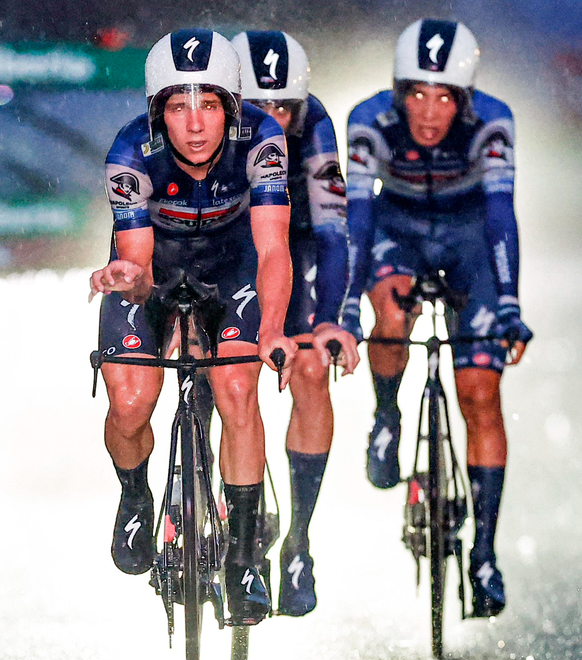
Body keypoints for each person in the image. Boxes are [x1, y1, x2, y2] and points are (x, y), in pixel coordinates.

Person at [89, 28, 298, 626]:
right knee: (130, 404)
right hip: (153, 268)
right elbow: (138, 262)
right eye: (178, 106)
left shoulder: (263, 139)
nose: (196, 123)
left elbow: (274, 249)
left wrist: (275, 330)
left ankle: (242, 558)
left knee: (236, 389)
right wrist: (123, 279)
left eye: (209, 104)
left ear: (232, 106)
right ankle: (135, 496)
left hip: (233, 265)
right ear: (158, 113)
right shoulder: (130, 150)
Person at [343, 19, 533, 617]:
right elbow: (356, 219)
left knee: (479, 392)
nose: (429, 111)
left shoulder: (493, 122)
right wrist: (350, 301)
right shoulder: (368, 120)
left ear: (467, 98)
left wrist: (508, 304)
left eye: (445, 96)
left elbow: (501, 213)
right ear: (398, 92)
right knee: (390, 309)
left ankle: (484, 553)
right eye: (417, 94)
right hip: (395, 228)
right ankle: (385, 414)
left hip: (469, 238)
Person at [230, 30, 359, 616]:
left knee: (308, 369)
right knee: (220, 371)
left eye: (285, 107)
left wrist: (330, 319)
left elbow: (334, 234)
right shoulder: (206, 118)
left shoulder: (319, 127)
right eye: (259, 106)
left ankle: (299, 541)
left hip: (297, 243)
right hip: (227, 244)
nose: (274, 119)